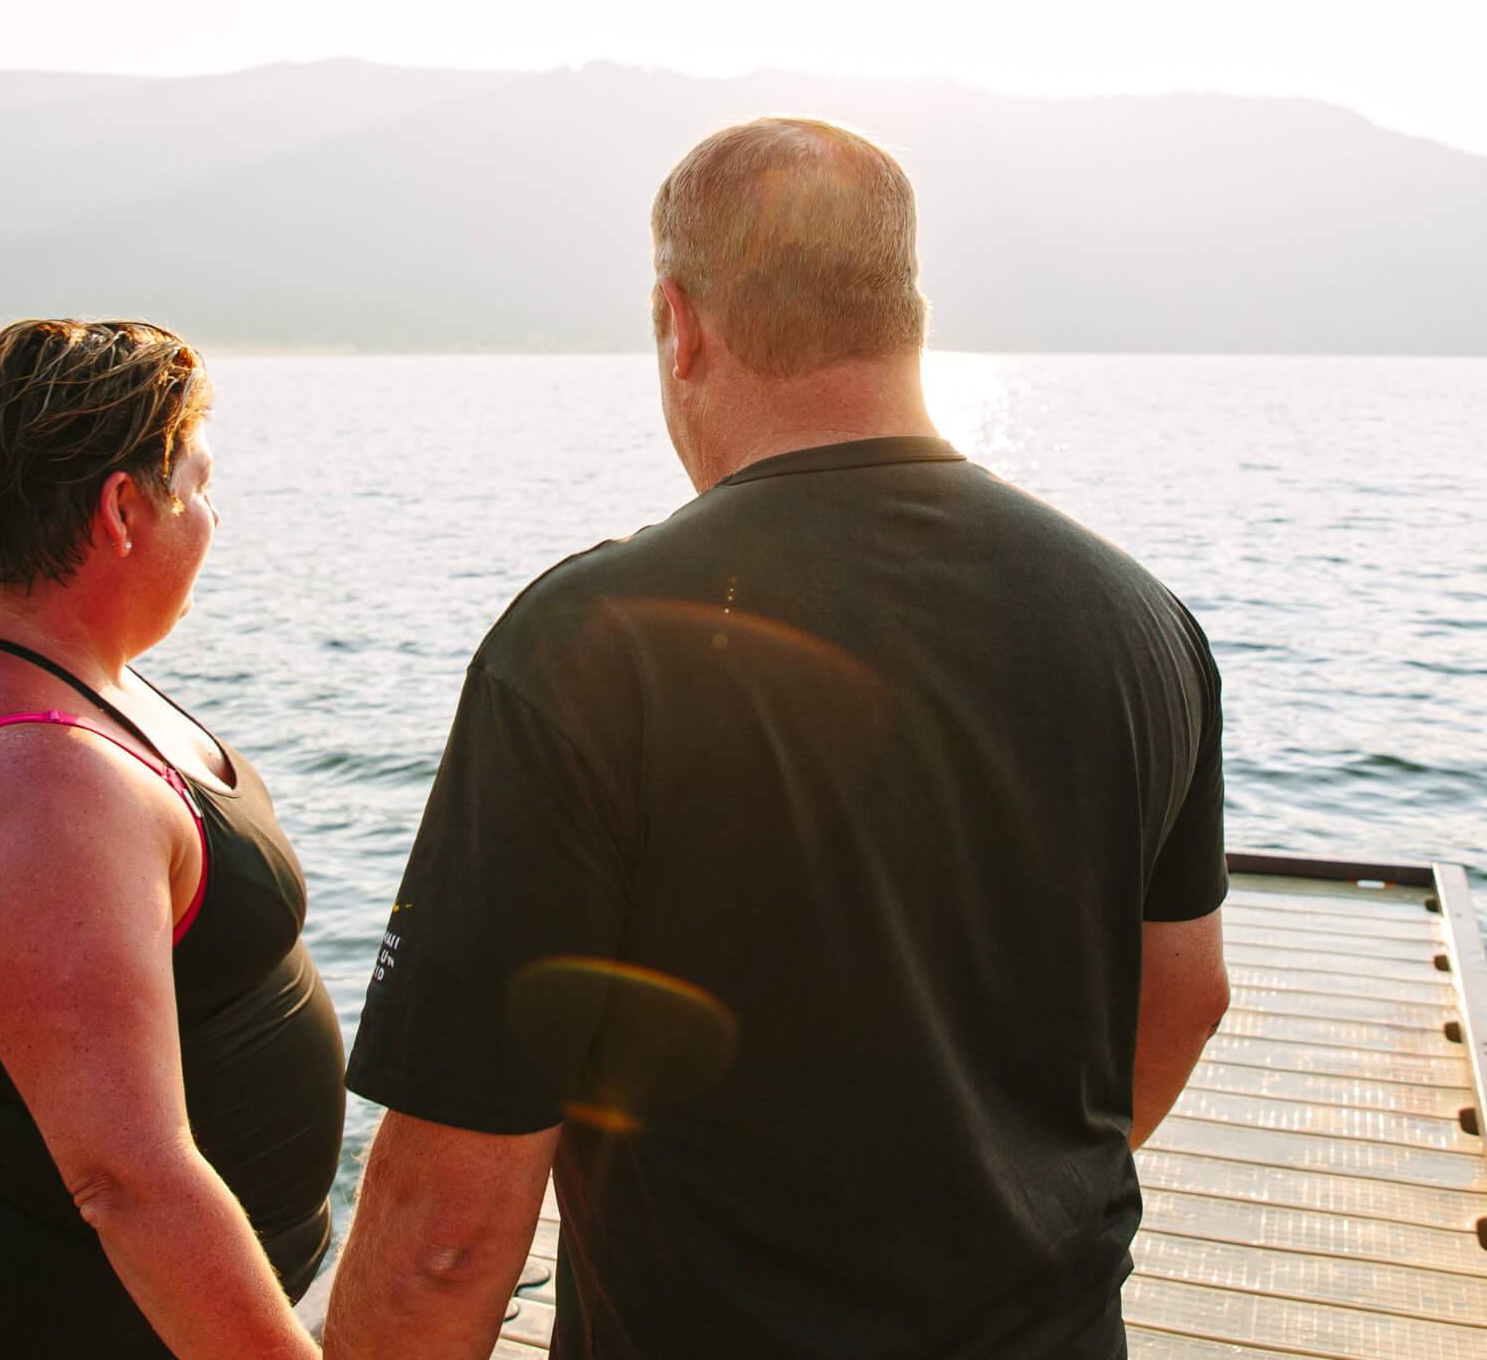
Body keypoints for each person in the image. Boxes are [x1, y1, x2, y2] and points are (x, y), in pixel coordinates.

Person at [324, 120, 1230, 1359]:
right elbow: (1188, 992)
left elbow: (443, 1237)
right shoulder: (1141, 622)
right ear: (903, 314)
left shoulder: (593, 643)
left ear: (679, 325)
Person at [0, 319, 342, 1360]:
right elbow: (125, 1179)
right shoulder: (39, 780)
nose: (214, 513)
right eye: (200, 481)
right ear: (124, 506)